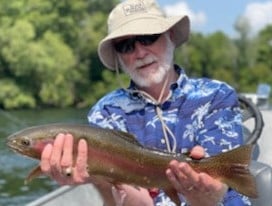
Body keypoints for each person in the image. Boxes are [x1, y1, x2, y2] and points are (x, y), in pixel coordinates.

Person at [40, 0, 252, 205]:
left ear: (169, 36)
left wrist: (203, 199)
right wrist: (99, 179)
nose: (140, 52)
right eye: (126, 45)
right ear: (119, 56)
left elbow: (223, 183)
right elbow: (133, 202)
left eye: (149, 37)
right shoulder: (105, 112)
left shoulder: (216, 95)